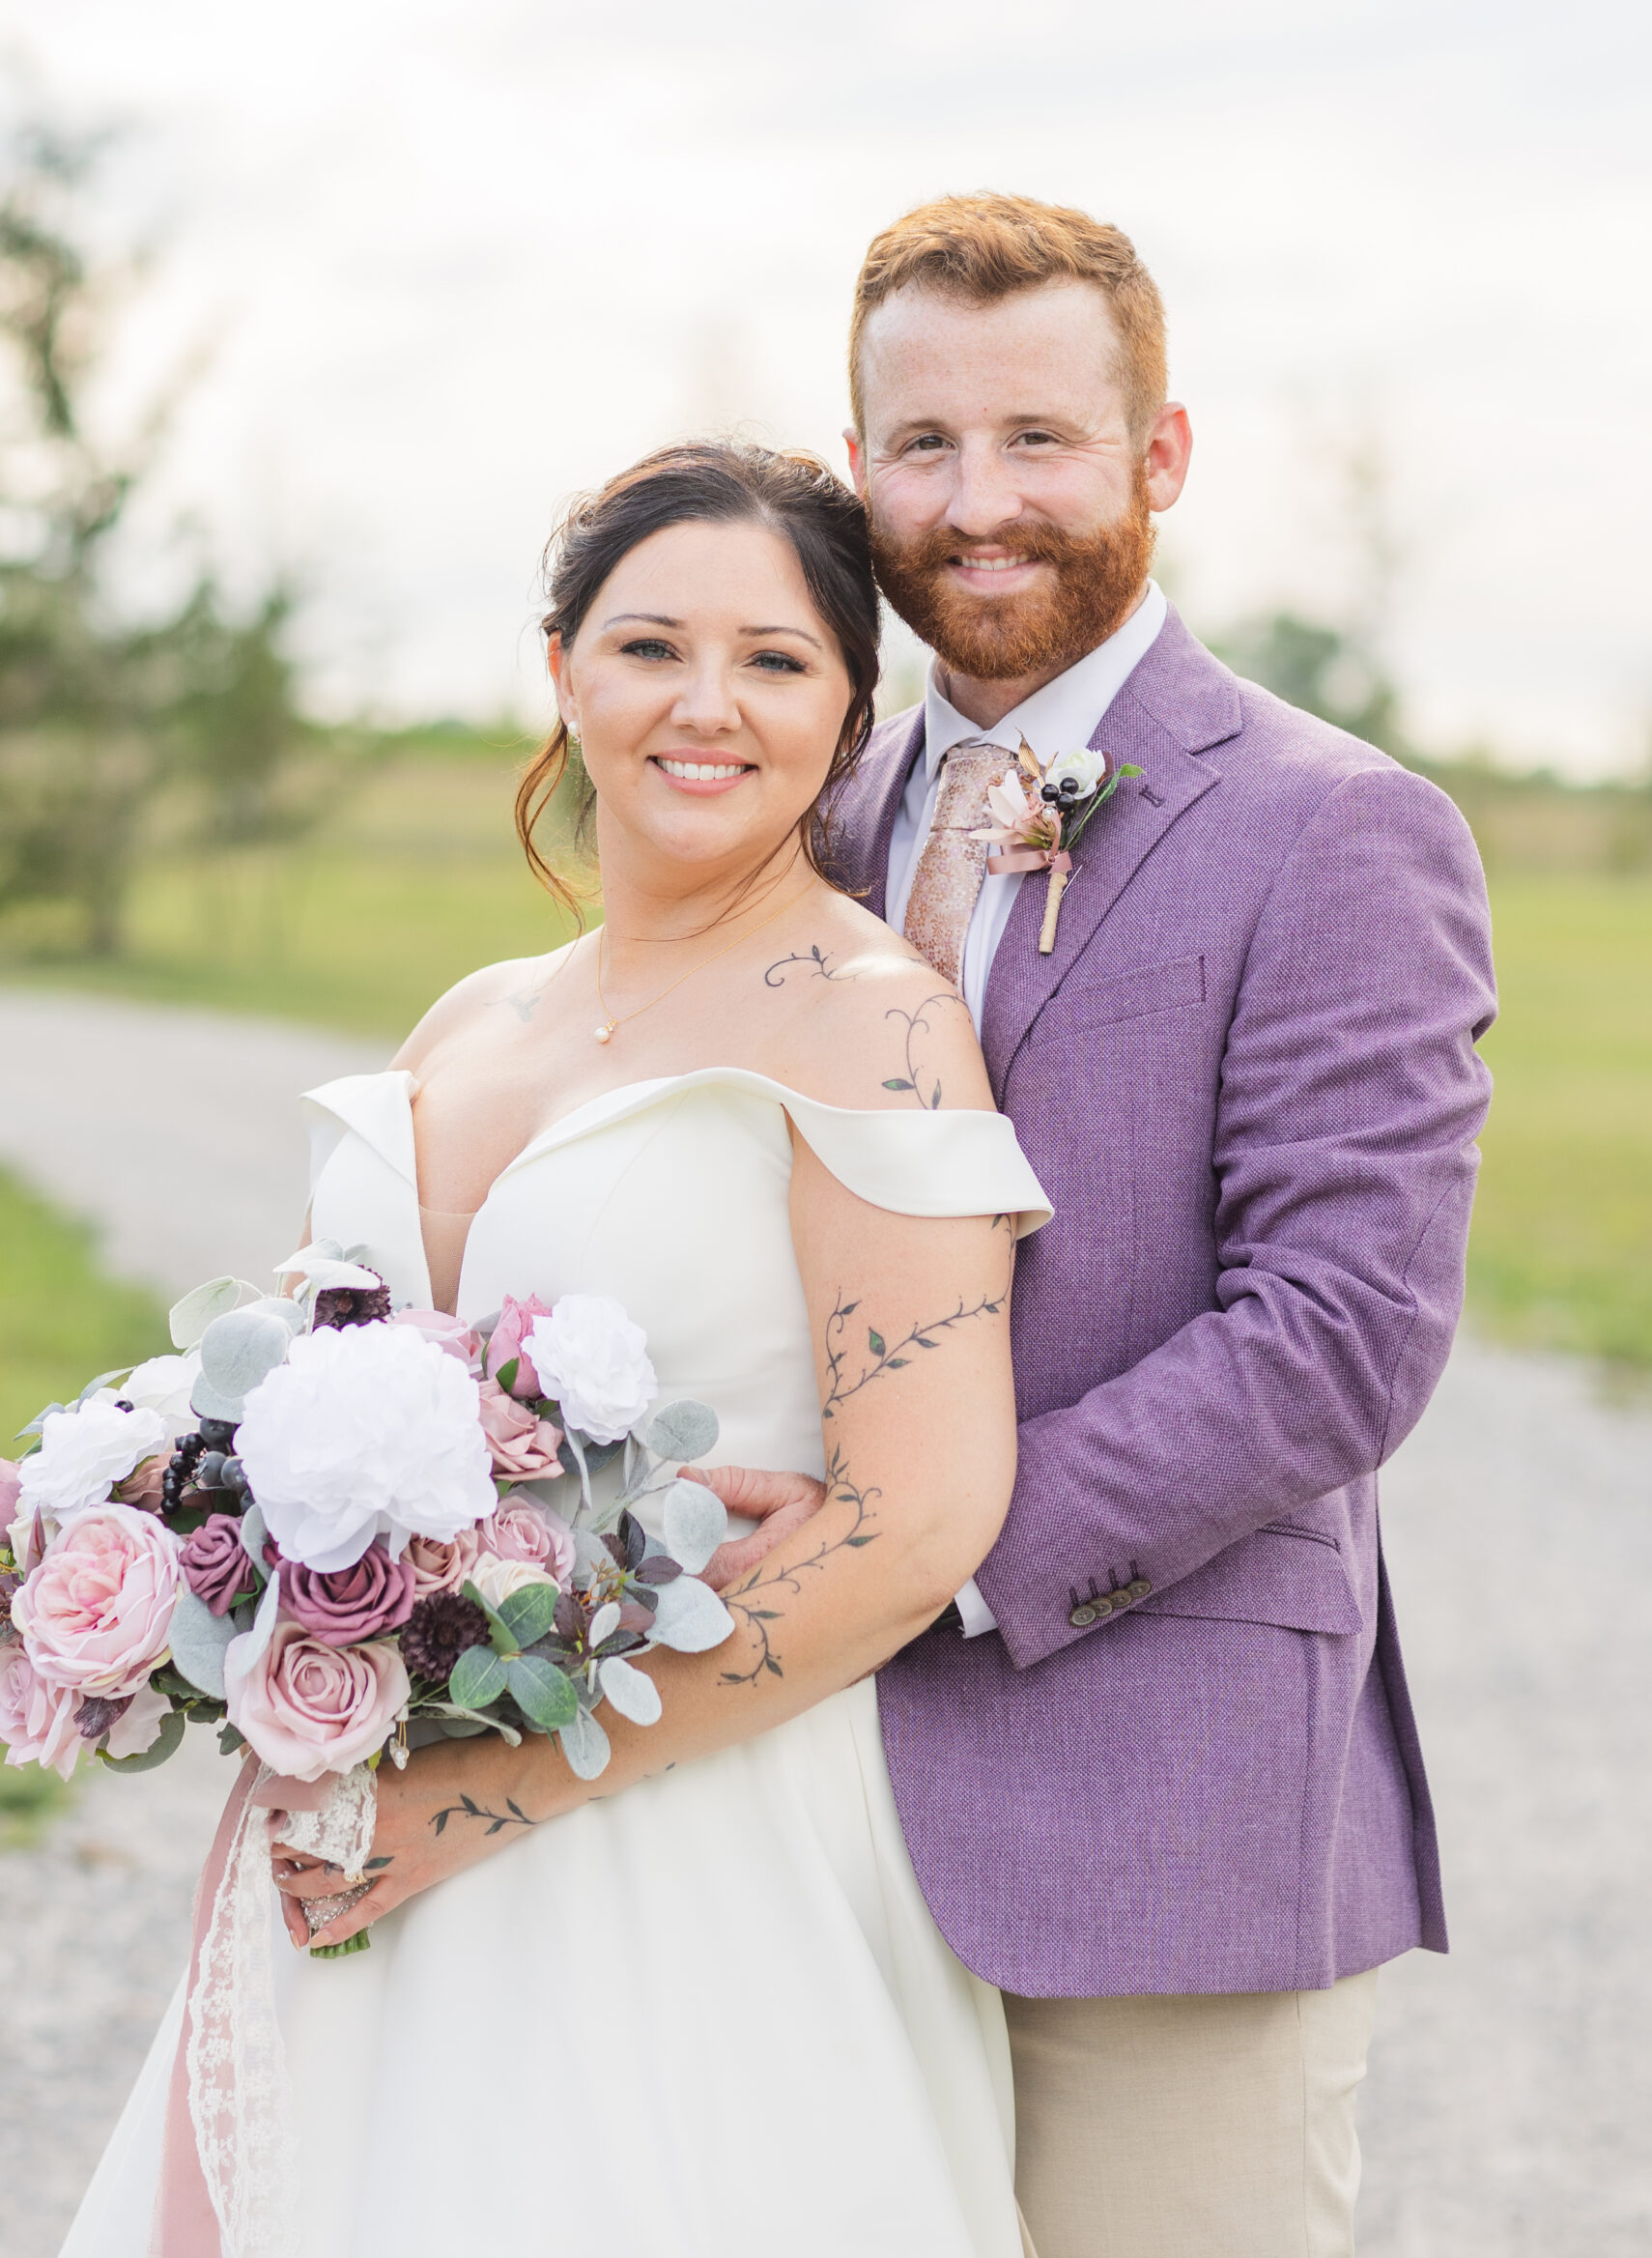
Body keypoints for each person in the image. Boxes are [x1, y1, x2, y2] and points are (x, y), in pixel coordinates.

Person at [63, 443, 1050, 2258]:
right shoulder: (474, 1017)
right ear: (562, 673)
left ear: (847, 715)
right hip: (359, 1819)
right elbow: (292, 1400)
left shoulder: (872, 1029)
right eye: (650, 644)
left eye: (774, 661)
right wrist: (164, 1541)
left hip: (683, 1843)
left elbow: (921, 1518)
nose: (705, 705)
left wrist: (486, 1792)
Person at [812, 191, 1495, 2257]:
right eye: (923, 446)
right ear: (860, 472)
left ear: (1159, 458)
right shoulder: (809, 811)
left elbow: (1343, 1331)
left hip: (1165, 1798)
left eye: (1040, 438)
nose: (978, 499)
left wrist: (917, 1551)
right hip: (799, 1812)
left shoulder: (1337, 826)